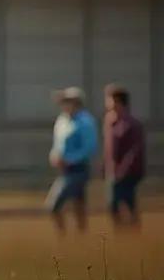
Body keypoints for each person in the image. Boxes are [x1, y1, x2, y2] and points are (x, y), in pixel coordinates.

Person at [46, 87, 98, 232]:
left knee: (54, 205)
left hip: (78, 169)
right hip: (65, 170)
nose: (63, 105)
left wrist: (69, 159)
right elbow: (57, 144)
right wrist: (54, 155)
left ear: (76, 103)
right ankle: (80, 239)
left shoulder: (85, 122)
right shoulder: (62, 120)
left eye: (66, 101)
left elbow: (89, 148)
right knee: (78, 205)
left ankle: (63, 238)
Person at [103, 85, 145, 227]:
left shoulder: (132, 124)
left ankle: (130, 230)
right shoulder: (110, 122)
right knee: (117, 202)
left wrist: (123, 170)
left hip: (128, 173)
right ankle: (123, 231)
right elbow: (109, 149)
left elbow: (134, 151)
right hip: (114, 172)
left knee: (121, 201)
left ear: (119, 102)